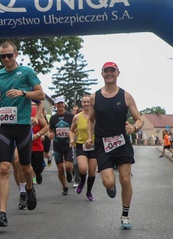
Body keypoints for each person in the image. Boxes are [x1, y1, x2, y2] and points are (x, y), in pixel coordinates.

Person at [0, 41, 44, 227]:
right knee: (4, 168)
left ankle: (29, 189)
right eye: (2, 56)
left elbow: (41, 95)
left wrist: (23, 93)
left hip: (22, 126)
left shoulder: (27, 72)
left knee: (25, 167)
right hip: (5, 126)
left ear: (16, 54)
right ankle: (2, 213)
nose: (6, 59)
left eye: (9, 55)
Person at [87, 61, 144, 229]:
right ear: (102, 74)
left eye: (112, 71)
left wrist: (134, 127)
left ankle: (125, 216)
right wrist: (90, 137)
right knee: (108, 182)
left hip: (121, 142)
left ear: (118, 73)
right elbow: (91, 120)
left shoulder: (126, 96)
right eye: (106, 71)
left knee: (125, 179)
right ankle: (110, 187)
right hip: (102, 144)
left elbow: (139, 119)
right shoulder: (95, 97)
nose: (109, 73)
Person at [70, 94, 97, 201]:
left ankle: (89, 192)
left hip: (94, 146)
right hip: (81, 145)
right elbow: (71, 130)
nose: (86, 104)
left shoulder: (96, 116)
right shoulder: (77, 117)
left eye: (88, 102)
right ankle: (81, 181)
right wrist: (72, 139)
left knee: (92, 171)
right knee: (82, 168)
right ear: (81, 103)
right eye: (84, 102)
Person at [48, 97, 76, 195]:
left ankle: (69, 173)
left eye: (61, 103)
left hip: (68, 144)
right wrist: (50, 135)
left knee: (68, 166)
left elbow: (75, 129)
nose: (60, 105)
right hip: (57, 145)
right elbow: (50, 130)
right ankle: (64, 187)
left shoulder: (70, 116)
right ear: (55, 105)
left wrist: (73, 137)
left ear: (64, 104)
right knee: (60, 168)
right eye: (57, 104)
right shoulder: (53, 118)